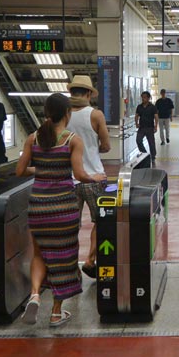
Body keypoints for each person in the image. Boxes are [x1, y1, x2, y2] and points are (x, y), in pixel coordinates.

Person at [17, 93, 103, 327]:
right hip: (63, 206)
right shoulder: (71, 140)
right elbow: (79, 175)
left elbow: (20, 170)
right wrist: (95, 177)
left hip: (38, 205)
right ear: (67, 113)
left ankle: (35, 294)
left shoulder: (33, 138)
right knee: (64, 257)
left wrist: (41, 171)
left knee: (39, 253)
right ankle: (56, 312)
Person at [65, 75, 110, 280]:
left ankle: (69, 265)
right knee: (100, 221)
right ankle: (91, 260)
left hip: (68, 178)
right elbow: (107, 145)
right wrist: (94, 147)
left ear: (71, 92)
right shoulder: (96, 115)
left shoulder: (61, 114)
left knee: (69, 224)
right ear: (89, 93)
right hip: (93, 177)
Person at [135, 91, 158, 167]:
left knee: (151, 143)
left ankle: (153, 156)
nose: (143, 99)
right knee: (138, 140)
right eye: (142, 97)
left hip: (150, 127)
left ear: (148, 98)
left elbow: (156, 116)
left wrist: (155, 126)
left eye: (145, 97)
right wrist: (136, 123)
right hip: (141, 127)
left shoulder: (152, 107)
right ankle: (144, 154)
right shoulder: (139, 106)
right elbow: (137, 115)